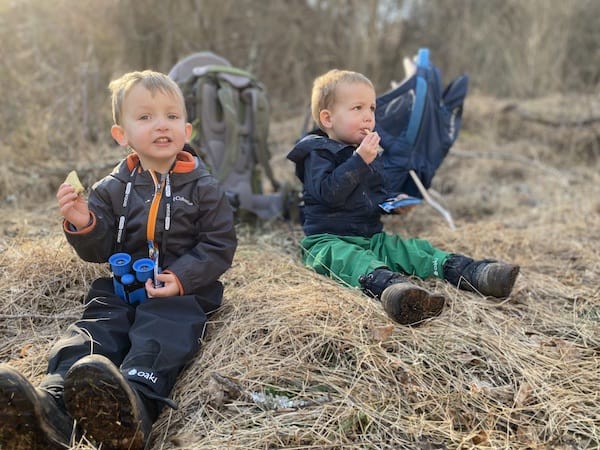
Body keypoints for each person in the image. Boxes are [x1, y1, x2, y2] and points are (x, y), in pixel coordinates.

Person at [0, 70, 237, 450]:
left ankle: (133, 404)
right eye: (145, 117)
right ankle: (52, 405)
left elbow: (219, 244)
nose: (162, 125)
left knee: (161, 331)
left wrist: (180, 277)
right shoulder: (112, 188)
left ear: (187, 130)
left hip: (179, 292)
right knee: (94, 329)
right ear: (121, 135)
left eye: (172, 117)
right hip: (122, 286)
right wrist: (83, 223)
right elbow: (100, 250)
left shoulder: (204, 189)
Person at [287, 69, 519, 326]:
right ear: (328, 118)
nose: (368, 116)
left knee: (414, 251)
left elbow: (369, 197)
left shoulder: (365, 154)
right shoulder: (317, 153)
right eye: (357, 108)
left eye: (372, 108)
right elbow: (329, 193)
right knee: (353, 261)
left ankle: (474, 272)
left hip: (370, 239)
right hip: (328, 242)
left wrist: (392, 205)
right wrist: (359, 161)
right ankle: (397, 293)